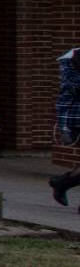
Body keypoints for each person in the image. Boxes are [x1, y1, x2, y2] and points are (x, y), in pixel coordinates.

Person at [52, 46, 80, 208]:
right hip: (75, 116)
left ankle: (62, 183)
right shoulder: (71, 59)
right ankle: (62, 183)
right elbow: (75, 86)